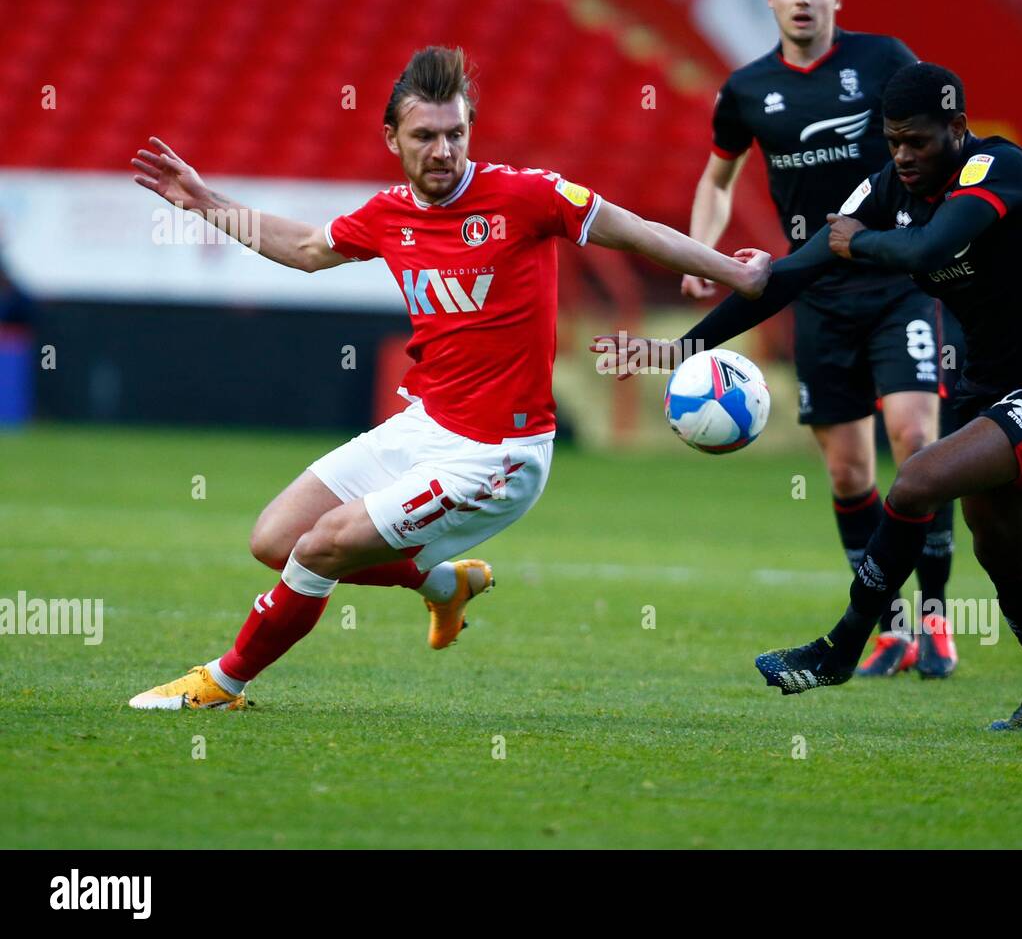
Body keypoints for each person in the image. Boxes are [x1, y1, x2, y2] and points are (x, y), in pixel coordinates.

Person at [127, 45, 769, 710]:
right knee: (274, 540)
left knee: (320, 549)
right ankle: (444, 585)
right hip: (424, 425)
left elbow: (634, 232)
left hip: (498, 456)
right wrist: (206, 202)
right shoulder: (388, 213)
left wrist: (735, 271)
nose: (443, 151)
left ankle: (222, 682)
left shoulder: (528, 195)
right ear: (392, 138)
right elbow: (306, 250)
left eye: (456, 134)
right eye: (426, 136)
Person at [606, 62, 1022, 730]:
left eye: (917, 142)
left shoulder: (998, 170)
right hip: (990, 389)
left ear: (956, 128)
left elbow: (932, 244)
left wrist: (859, 241)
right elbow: (784, 280)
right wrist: (683, 349)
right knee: (1002, 548)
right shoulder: (886, 189)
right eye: (893, 140)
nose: (902, 155)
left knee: (916, 478)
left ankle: (841, 646)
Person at [680, 0, 958, 678]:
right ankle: (891, 626)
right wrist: (700, 255)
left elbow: (939, 142)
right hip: (816, 292)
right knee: (847, 475)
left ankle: (937, 617)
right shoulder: (745, 90)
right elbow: (717, 179)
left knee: (917, 441)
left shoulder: (884, 61)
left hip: (899, 282)